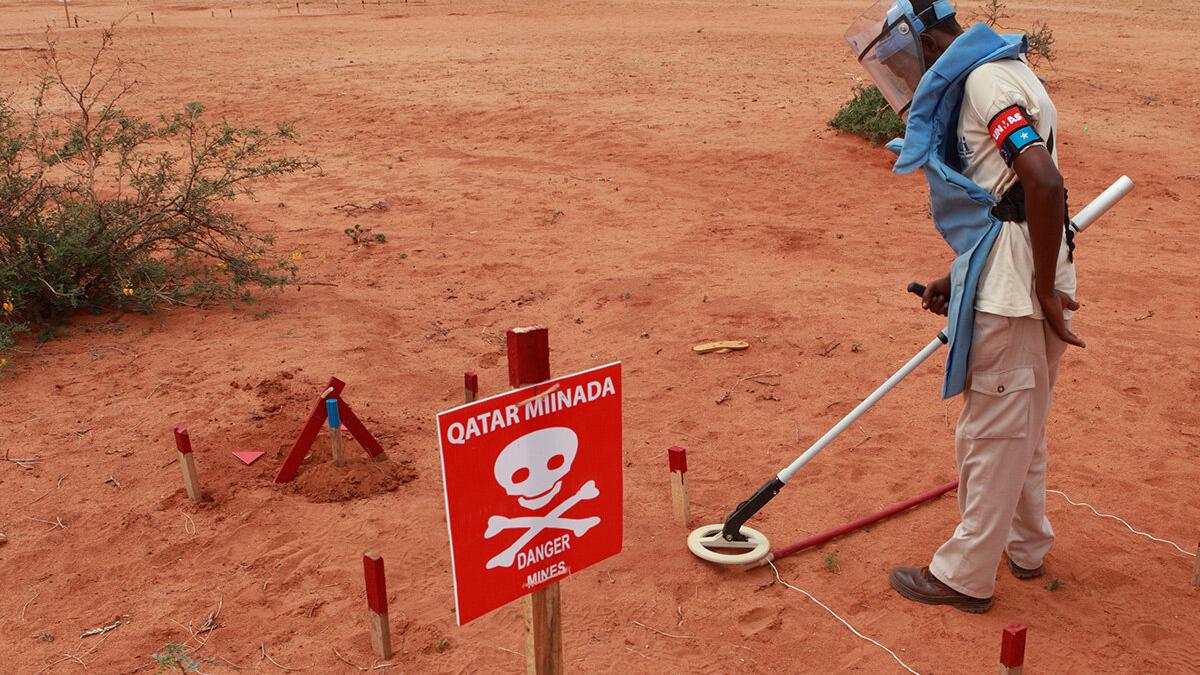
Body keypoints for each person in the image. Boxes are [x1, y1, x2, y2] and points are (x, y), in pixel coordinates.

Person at [845, 0, 1080, 612]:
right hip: (1018, 271)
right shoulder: (1003, 64)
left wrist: (1039, 290)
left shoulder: (981, 80)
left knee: (993, 432)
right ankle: (1027, 546)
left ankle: (963, 576)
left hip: (1018, 294)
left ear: (925, 38)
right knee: (1022, 423)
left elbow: (1043, 182)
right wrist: (961, 276)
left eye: (902, 58)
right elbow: (1008, 201)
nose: (905, 72)